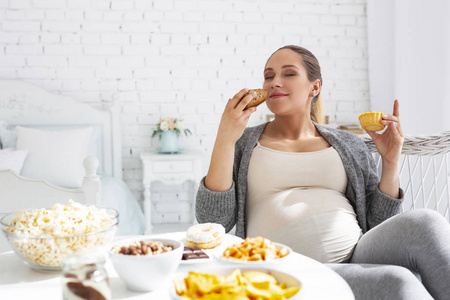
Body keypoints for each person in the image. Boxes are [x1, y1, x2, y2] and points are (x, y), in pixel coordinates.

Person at [195, 45, 450, 300]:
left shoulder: (348, 144)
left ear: (314, 87)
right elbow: (213, 219)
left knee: (427, 222)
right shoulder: (243, 142)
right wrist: (225, 139)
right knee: (397, 282)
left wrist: (391, 162)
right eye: (269, 75)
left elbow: (378, 224)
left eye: (289, 74)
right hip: (285, 269)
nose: (275, 83)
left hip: (358, 254)